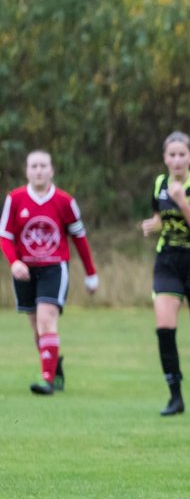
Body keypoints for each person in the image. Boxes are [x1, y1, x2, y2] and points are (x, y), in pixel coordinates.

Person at [2, 150, 100, 395]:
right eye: (33, 166)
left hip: (54, 269)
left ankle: (47, 379)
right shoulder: (15, 199)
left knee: (47, 320)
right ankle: (55, 368)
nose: (38, 170)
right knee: (37, 329)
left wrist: (91, 273)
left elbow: (79, 237)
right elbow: (5, 236)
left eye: (43, 166)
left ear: (51, 170)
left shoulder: (65, 201)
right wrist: (14, 262)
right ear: (27, 170)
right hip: (24, 271)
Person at [140, 131, 190, 416]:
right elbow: (161, 218)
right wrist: (153, 225)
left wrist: (183, 202)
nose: (176, 160)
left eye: (181, 155)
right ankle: (175, 397)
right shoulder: (160, 184)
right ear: (164, 158)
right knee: (164, 327)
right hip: (169, 261)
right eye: (171, 155)